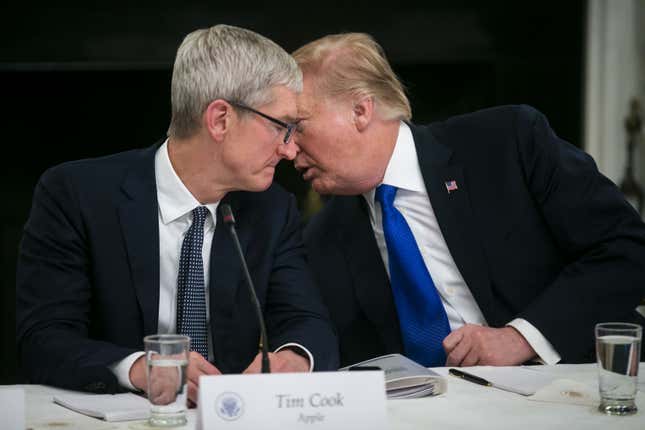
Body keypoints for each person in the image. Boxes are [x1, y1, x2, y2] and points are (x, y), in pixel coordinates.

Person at [16, 25, 338, 404]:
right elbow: (43, 338)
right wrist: (143, 368)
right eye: (281, 127)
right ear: (220, 119)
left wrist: (294, 357)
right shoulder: (76, 194)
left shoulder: (272, 208)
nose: (289, 150)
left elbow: (309, 322)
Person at [292, 33, 645, 368]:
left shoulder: (507, 143)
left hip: (572, 386)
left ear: (360, 110)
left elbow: (627, 248)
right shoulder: (324, 236)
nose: (287, 149)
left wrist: (521, 338)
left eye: (297, 127)